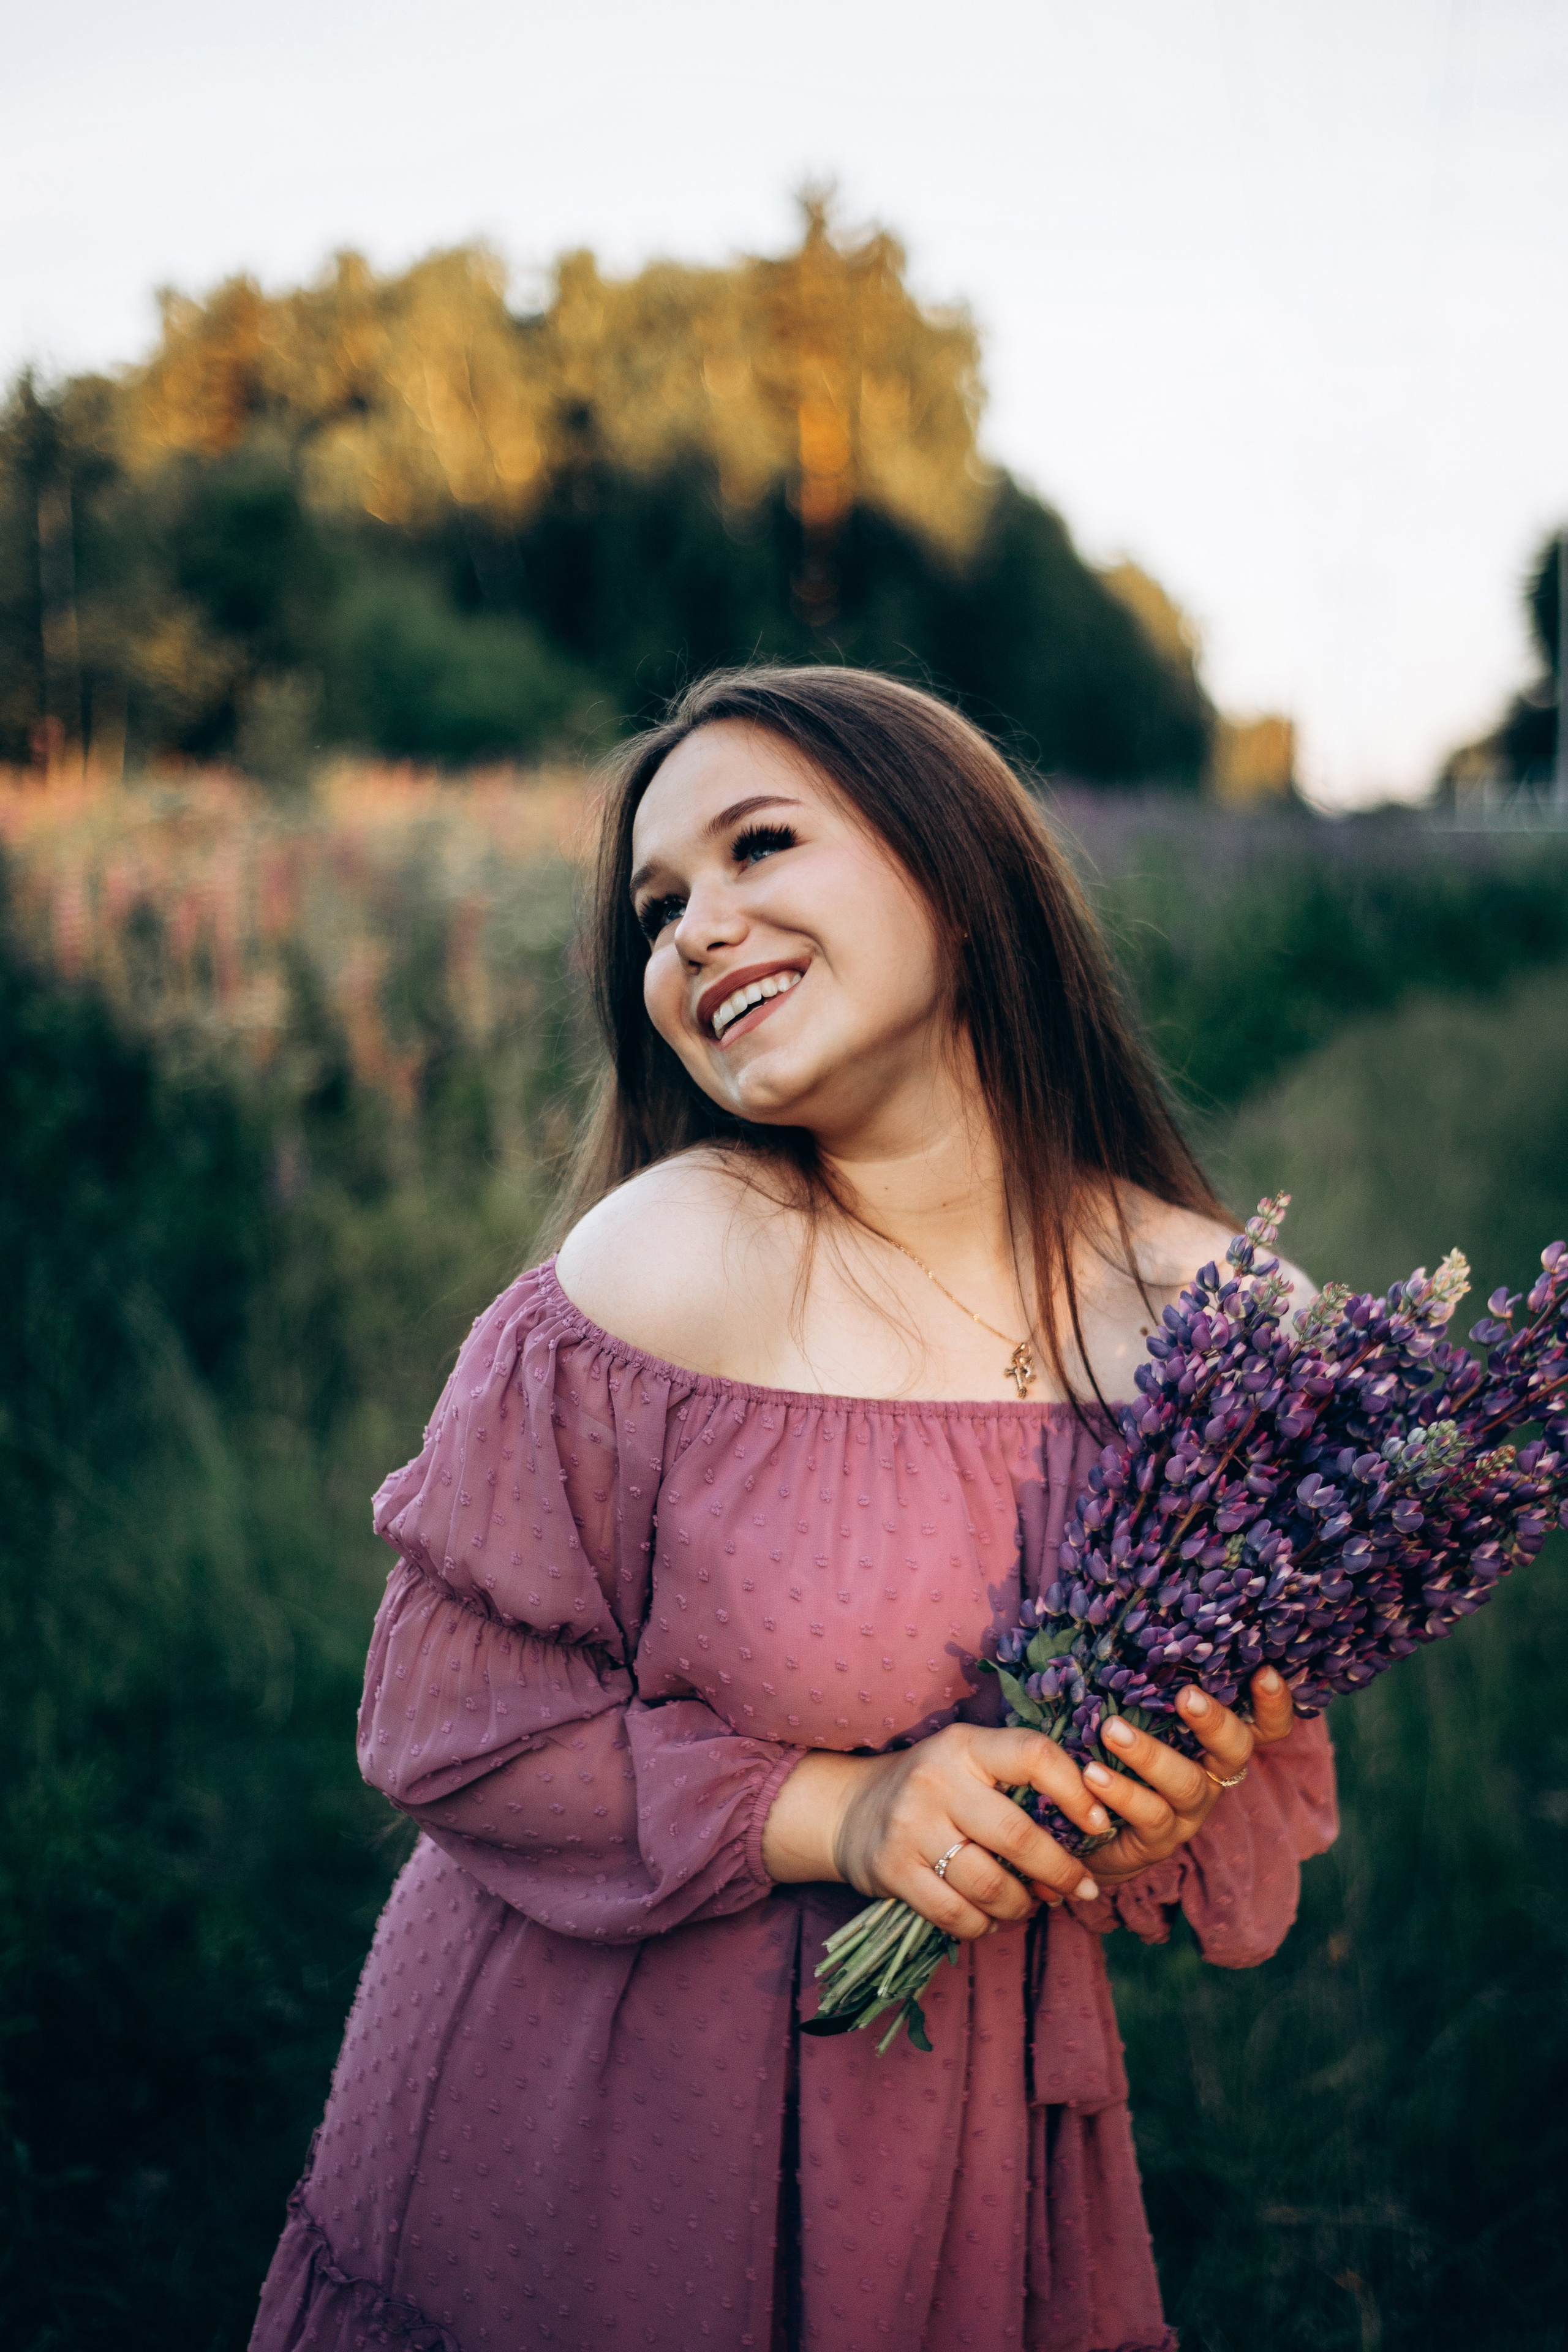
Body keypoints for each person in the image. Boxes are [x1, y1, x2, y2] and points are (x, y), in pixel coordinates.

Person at [251, 666, 1336, 2352]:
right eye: (657, 908)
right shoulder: (665, 1262)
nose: (695, 929)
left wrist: (1146, 1809)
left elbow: (1256, 1791)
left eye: (760, 846)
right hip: (584, 2113)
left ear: (959, 874)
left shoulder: (1229, 1319)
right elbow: (445, 1724)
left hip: (957, 2140)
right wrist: (847, 1813)